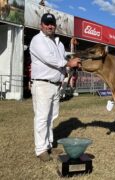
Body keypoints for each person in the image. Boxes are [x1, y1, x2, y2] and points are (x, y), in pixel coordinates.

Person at [30, 13, 81, 162]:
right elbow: (50, 59)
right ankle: (41, 150)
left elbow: (64, 56)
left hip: (55, 85)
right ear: (41, 25)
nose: (50, 26)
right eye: (47, 23)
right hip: (42, 84)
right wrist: (68, 63)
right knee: (41, 117)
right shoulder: (37, 40)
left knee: (51, 117)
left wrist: (75, 57)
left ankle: (48, 144)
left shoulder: (57, 42)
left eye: (52, 23)